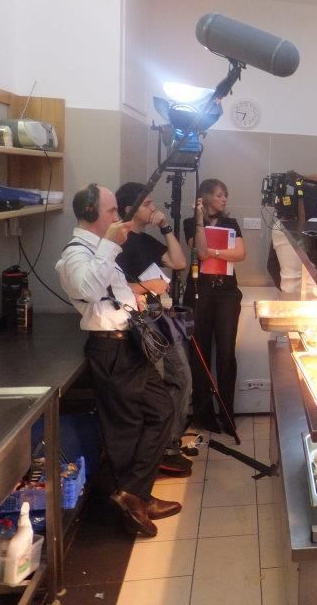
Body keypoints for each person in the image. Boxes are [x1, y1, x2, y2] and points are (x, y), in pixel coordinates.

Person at [55, 183, 180, 538]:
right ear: (91, 214)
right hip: (111, 349)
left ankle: (136, 493)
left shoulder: (100, 250)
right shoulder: (75, 254)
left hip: (130, 344)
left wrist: (132, 301)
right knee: (127, 428)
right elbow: (87, 289)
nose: (117, 217)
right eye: (111, 211)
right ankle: (133, 501)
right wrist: (111, 244)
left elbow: (112, 290)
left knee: (162, 410)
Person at [114, 182, 192, 477]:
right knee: (155, 386)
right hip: (139, 323)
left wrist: (165, 227)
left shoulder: (146, 241)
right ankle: (152, 453)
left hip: (161, 317)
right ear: (129, 209)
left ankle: (169, 445)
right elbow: (109, 287)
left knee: (182, 377)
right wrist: (147, 286)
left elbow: (179, 262)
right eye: (147, 204)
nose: (153, 208)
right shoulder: (116, 243)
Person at [183, 178, 246, 431]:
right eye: (219, 195)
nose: (224, 199)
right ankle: (204, 414)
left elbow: (240, 253)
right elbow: (199, 250)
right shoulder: (190, 223)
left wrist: (215, 252)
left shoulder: (231, 223)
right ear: (205, 197)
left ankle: (227, 413)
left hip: (227, 292)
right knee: (200, 353)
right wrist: (199, 219)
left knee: (226, 353)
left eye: (225, 195)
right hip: (200, 291)